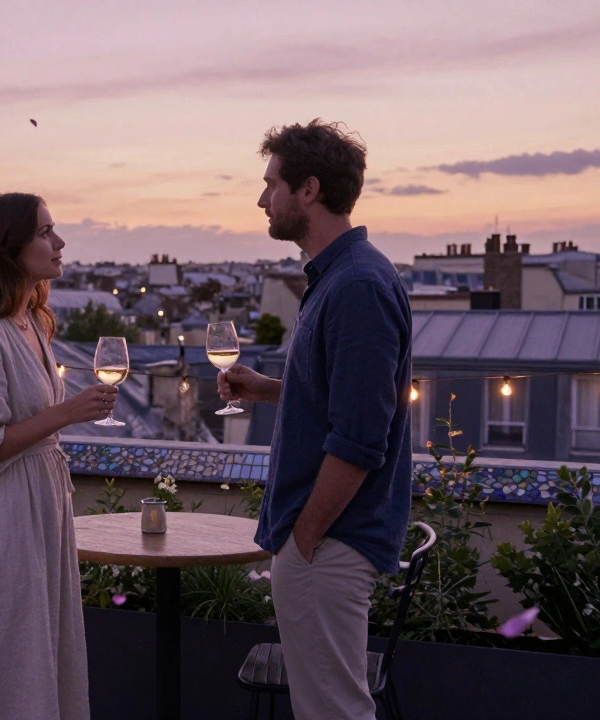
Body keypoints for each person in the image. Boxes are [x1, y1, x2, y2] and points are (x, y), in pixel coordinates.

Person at [219, 120, 413, 720]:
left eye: (270, 184)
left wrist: (303, 541)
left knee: (332, 712)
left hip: (328, 544)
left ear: (308, 189)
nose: (261, 199)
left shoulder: (356, 287)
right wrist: (271, 389)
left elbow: (359, 439)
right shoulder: (342, 278)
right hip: (325, 542)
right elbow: (343, 400)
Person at [0, 192, 117, 720]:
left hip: (37, 507)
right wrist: (68, 412)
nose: (59, 242)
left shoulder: (31, 321)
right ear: (8, 248)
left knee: (38, 644)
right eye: (44, 232)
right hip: (3, 514)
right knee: (4, 650)